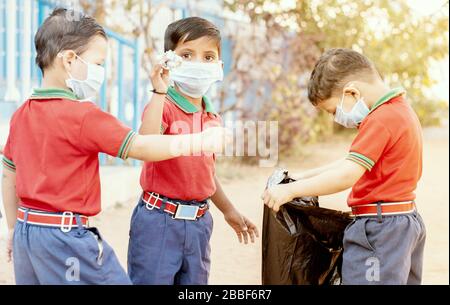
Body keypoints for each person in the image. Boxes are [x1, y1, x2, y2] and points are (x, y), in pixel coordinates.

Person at [1, 8, 228, 285]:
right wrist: (197, 141)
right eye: (97, 64)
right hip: (67, 235)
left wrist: (12, 228)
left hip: (27, 232)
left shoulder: (21, 113)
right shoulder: (85, 116)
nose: (100, 72)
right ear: (70, 60)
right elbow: (141, 147)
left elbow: (8, 173)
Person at [262, 48, 426, 285]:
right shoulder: (400, 111)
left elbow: (348, 174)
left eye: (332, 110)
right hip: (402, 222)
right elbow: (350, 162)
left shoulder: (380, 119)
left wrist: (290, 191)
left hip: (380, 231)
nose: (335, 118)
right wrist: (302, 177)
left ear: (351, 92)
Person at [127, 17, 259, 285]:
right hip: (158, 222)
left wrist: (228, 209)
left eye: (208, 57)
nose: (199, 63)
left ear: (220, 66)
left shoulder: (212, 117)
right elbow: (146, 142)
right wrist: (158, 91)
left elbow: (205, 173)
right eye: (187, 55)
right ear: (169, 60)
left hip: (199, 224)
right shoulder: (162, 105)